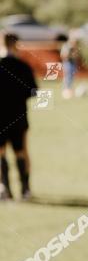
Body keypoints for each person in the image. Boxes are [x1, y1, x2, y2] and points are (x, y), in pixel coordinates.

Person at [0, 32, 38, 200]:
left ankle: (5, 190)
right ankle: (25, 189)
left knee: (1, 153)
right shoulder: (24, 66)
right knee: (21, 152)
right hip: (19, 117)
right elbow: (35, 91)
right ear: (16, 44)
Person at [60, 34, 80, 99]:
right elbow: (64, 55)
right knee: (67, 77)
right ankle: (66, 91)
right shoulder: (67, 46)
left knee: (71, 77)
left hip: (73, 63)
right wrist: (71, 55)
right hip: (68, 63)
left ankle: (70, 91)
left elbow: (76, 55)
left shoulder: (74, 47)